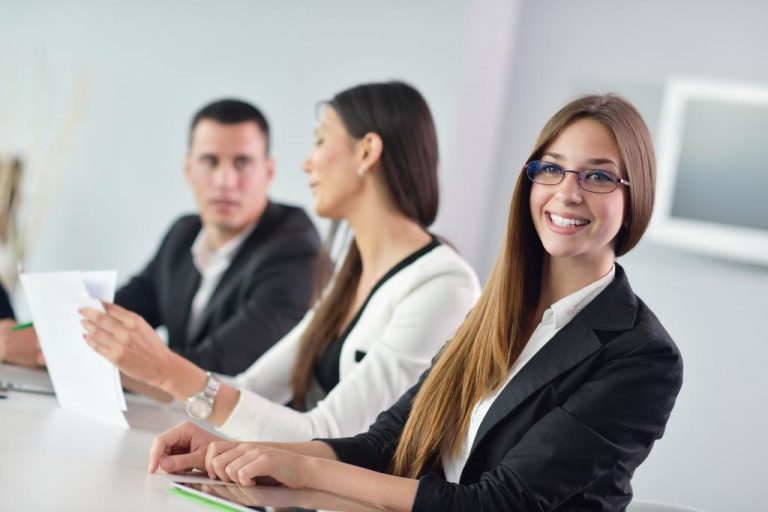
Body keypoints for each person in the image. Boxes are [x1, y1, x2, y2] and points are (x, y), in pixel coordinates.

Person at [147, 94, 684, 511]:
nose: (568, 192)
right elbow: (385, 443)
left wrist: (305, 472)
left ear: (635, 196)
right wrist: (227, 453)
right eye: (551, 168)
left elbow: (498, 504)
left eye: (597, 176)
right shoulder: (495, 312)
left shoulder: (641, 357)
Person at [80, 81, 481, 440]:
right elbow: (250, 389)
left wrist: (165, 368)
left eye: (320, 141)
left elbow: (329, 435)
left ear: (367, 151)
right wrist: (131, 363)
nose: (307, 162)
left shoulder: (442, 286)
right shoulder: (352, 271)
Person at [1, 99, 321, 376]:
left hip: (249, 440)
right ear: (188, 169)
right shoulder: (184, 234)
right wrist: (42, 334)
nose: (225, 180)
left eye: (242, 162)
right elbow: (119, 313)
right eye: (210, 161)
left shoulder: (293, 248)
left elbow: (218, 368)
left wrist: (56, 351)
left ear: (269, 171)